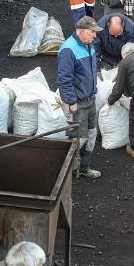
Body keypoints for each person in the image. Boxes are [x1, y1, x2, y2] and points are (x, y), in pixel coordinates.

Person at [57, 16, 102, 179]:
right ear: (82, 32)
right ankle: (64, 172)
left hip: (90, 99)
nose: (95, 35)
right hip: (78, 103)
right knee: (78, 138)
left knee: (91, 133)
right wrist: (71, 101)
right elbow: (64, 79)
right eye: (92, 32)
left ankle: (84, 168)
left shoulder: (88, 45)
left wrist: (94, 89)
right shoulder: (68, 50)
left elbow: (90, 71)